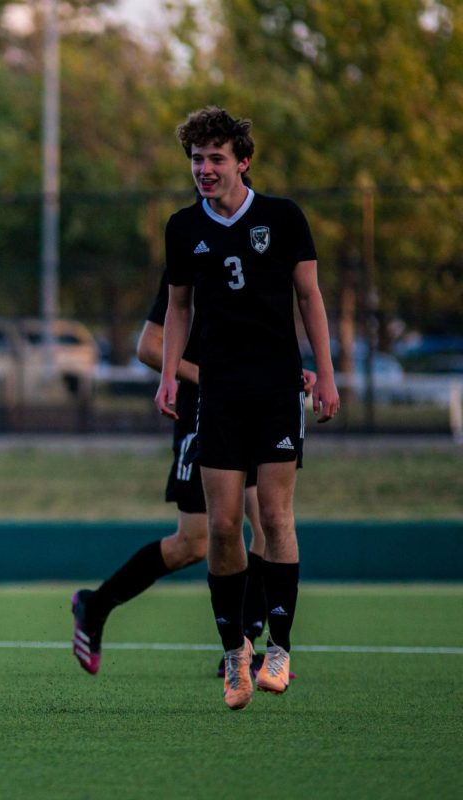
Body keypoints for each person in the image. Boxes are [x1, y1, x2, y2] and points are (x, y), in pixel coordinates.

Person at [155, 107, 339, 710]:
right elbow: (178, 308)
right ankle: (235, 650)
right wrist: (168, 378)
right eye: (197, 160)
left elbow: (309, 297)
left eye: (216, 159)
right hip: (220, 395)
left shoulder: (283, 218)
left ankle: (278, 651)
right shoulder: (183, 228)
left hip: (278, 393)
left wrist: (327, 377)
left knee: (277, 518)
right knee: (225, 525)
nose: (205, 169)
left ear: (242, 161)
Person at [72, 274, 316, 676]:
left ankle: (242, 645)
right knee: (193, 542)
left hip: (255, 411)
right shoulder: (193, 254)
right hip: (204, 416)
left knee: (267, 522)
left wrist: (290, 373)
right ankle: (94, 605)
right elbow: (149, 348)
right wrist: (215, 381)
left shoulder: (261, 249)